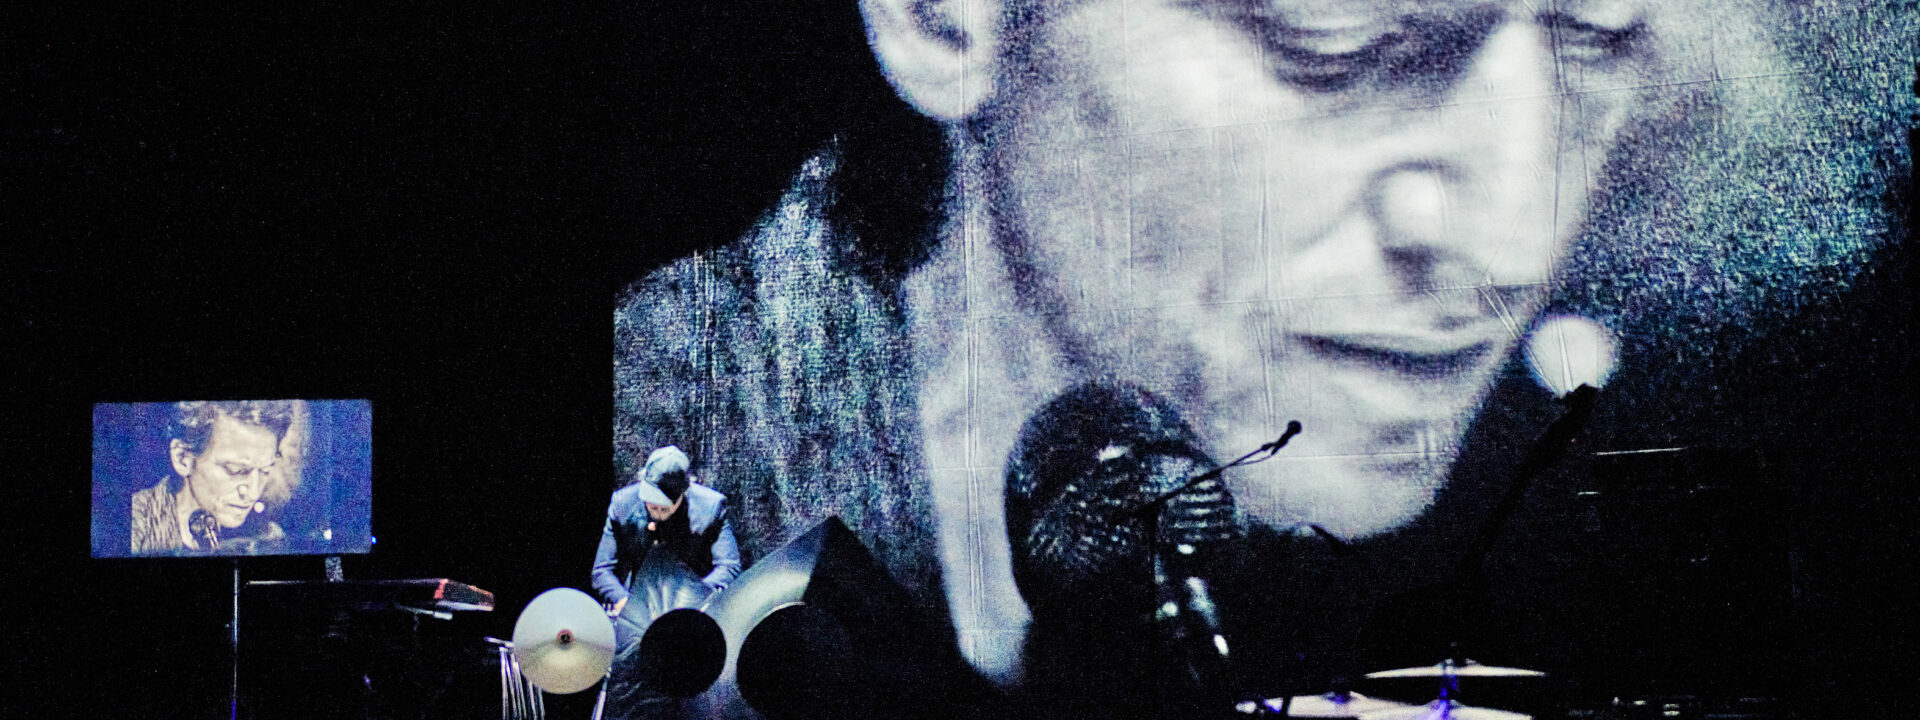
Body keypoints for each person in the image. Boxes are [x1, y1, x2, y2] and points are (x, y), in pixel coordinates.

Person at [615, 0, 1905, 711]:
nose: (1515, 241)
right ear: (942, 21)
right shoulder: (663, 451)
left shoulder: (1549, 529)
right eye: (1329, 41)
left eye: (1594, 41)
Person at [593, 446, 742, 639]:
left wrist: (693, 602)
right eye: (651, 503)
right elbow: (602, 569)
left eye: (664, 508)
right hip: (638, 609)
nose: (657, 510)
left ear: (684, 493)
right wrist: (624, 601)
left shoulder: (711, 507)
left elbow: (729, 566)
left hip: (691, 611)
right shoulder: (623, 504)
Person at [131, 400, 298, 554]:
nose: (253, 493)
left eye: (265, 471)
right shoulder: (134, 525)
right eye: (235, 470)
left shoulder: (267, 536)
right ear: (182, 458)